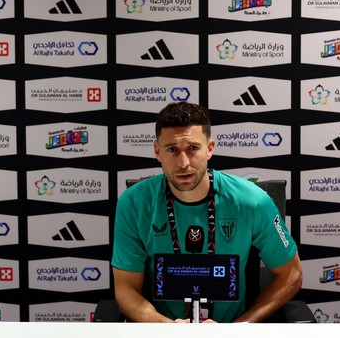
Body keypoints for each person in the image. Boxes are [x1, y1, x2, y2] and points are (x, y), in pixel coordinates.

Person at [111, 102, 302, 323]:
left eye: (193, 148)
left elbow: (292, 275)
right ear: (157, 151)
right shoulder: (134, 203)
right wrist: (166, 327)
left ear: (210, 148)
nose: (183, 163)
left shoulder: (253, 201)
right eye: (172, 149)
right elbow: (126, 290)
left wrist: (237, 329)